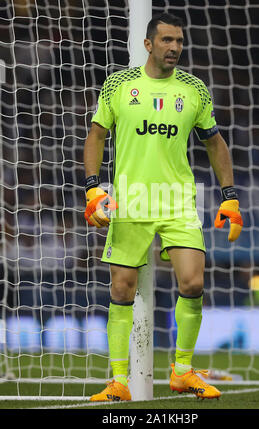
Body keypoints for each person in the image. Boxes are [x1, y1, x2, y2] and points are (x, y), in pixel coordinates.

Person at [84, 13, 243, 402]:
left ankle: (183, 371)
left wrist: (230, 195)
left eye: (180, 41)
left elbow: (215, 142)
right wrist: (92, 190)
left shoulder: (194, 89)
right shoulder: (119, 85)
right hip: (132, 200)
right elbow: (97, 134)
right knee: (121, 289)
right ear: (149, 44)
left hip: (177, 201)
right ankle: (119, 380)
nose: (175, 48)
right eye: (168, 40)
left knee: (192, 282)